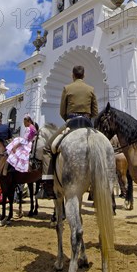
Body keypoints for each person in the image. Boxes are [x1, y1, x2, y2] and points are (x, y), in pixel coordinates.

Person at [38, 65, 99, 199]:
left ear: (73, 75)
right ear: (84, 75)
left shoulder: (67, 88)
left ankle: (48, 183)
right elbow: (95, 112)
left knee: (48, 148)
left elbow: (62, 111)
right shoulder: (91, 89)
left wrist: (69, 120)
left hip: (71, 122)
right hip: (88, 123)